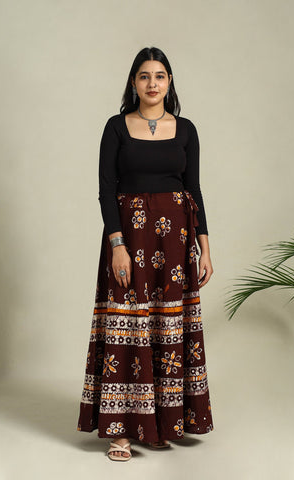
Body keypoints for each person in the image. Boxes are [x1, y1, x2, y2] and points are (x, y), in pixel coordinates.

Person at [77, 46, 214, 461]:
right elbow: (106, 191)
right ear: (133, 83)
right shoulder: (116, 127)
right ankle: (121, 431)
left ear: (169, 82)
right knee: (128, 326)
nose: (152, 83)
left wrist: (205, 248)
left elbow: (194, 189)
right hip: (130, 240)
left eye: (160, 76)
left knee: (167, 327)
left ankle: (162, 423)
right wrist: (117, 245)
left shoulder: (186, 130)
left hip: (175, 243)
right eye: (144, 76)